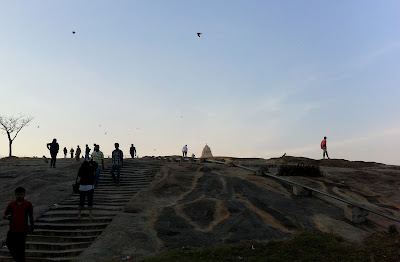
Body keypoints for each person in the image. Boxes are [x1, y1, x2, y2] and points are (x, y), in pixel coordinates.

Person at [3, 187, 34, 262]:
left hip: (23, 231)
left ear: (24, 195)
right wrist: (8, 218)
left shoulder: (28, 204)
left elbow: (31, 216)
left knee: (21, 249)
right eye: (18, 194)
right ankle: (18, 259)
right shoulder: (11, 205)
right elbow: (4, 215)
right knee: (8, 244)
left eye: (21, 194)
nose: (19, 196)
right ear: (15, 195)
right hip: (12, 230)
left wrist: (32, 226)